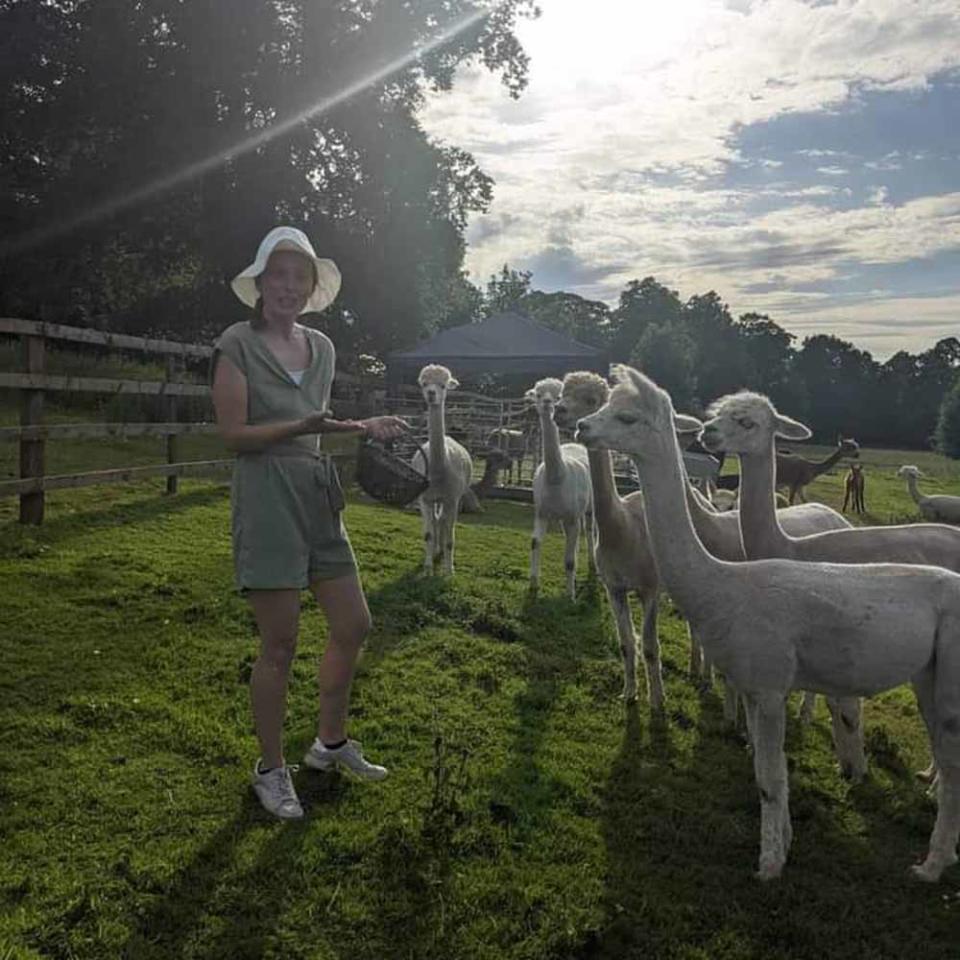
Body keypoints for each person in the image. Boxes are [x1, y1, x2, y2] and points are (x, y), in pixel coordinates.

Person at [211, 225, 407, 819]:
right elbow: (234, 435)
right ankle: (270, 770)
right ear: (261, 283)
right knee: (280, 643)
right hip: (266, 493)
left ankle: (330, 743)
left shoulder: (322, 349)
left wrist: (360, 427)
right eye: (279, 275)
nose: (288, 286)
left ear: (312, 286)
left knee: (353, 623)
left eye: (299, 277)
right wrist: (299, 428)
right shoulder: (236, 343)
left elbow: (315, 421)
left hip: (318, 493)